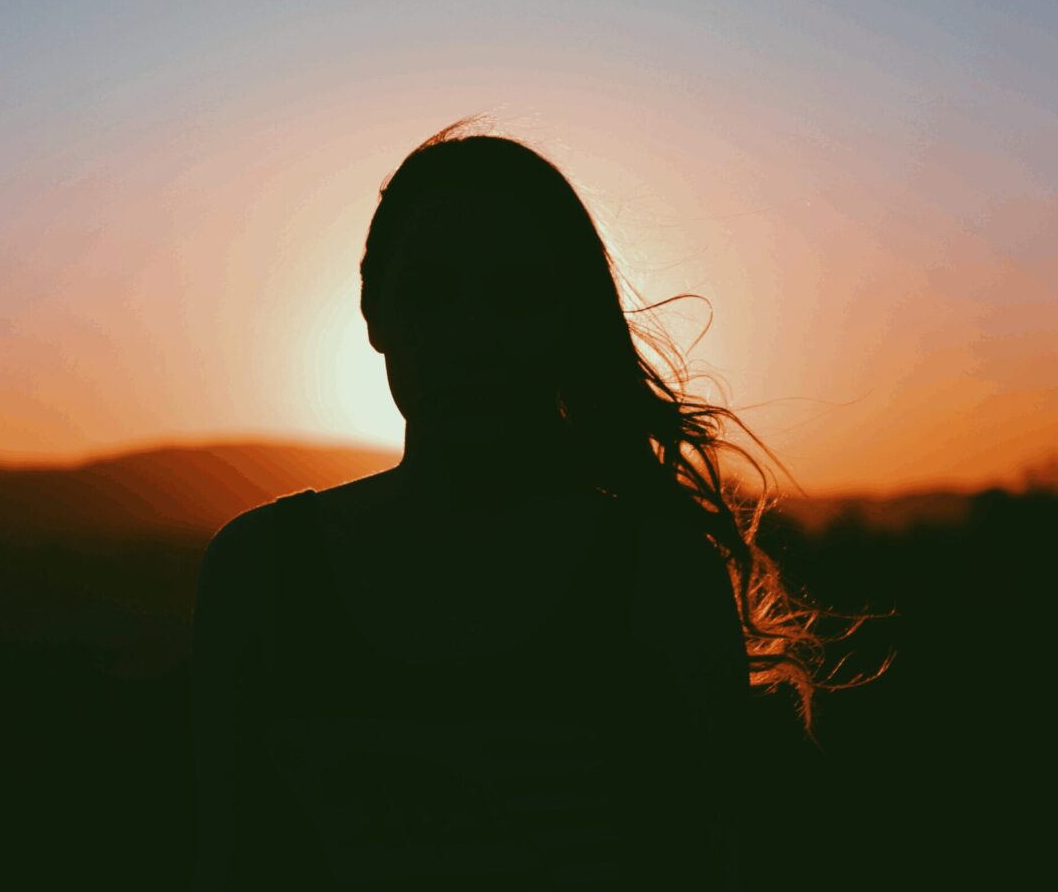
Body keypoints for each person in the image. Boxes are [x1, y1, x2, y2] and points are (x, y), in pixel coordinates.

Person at [191, 120, 822, 890]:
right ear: (372, 312)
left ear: (568, 321)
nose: (471, 332)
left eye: (516, 294)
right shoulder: (262, 572)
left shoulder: (659, 580)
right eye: (432, 290)